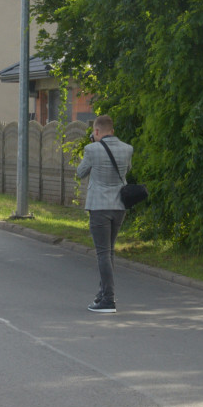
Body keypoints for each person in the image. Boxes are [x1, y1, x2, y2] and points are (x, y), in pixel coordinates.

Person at [76, 114, 134, 314]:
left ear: (97, 131)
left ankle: (108, 300)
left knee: (102, 253)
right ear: (113, 131)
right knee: (109, 252)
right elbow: (127, 171)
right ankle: (102, 294)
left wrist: (91, 147)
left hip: (99, 207)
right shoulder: (127, 149)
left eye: (93, 132)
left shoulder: (91, 149)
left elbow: (80, 172)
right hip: (119, 207)